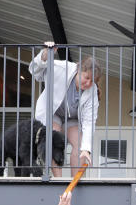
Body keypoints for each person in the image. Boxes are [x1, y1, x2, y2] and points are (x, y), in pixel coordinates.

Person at [29, 43, 101, 176]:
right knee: (52, 140)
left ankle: (74, 183)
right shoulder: (62, 68)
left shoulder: (92, 91)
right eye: (86, 78)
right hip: (53, 113)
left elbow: (89, 121)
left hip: (72, 119)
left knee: (80, 146)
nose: (88, 83)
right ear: (79, 70)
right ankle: (58, 179)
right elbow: (35, 71)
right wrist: (46, 54)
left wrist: (86, 149)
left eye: (92, 81)